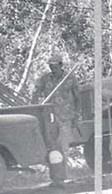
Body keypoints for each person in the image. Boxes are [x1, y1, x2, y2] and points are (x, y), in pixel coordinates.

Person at [32, 52, 81, 187]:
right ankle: (55, 179)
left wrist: (76, 116)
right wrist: (35, 109)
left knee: (63, 148)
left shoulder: (70, 78)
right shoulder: (45, 79)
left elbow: (78, 98)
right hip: (49, 119)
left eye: (55, 66)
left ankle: (62, 178)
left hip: (66, 118)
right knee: (52, 149)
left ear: (61, 65)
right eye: (51, 66)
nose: (53, 68)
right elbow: (35, 94)